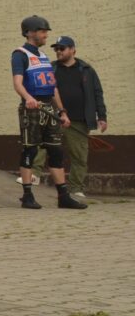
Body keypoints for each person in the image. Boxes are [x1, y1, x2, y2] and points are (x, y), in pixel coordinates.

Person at [11, 16, 86, 210]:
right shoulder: (19, 54)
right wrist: (28, 98)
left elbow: (53, 88)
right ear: (29, 32)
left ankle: (63, 197)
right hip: (32, 109)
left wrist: (62, 111)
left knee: (56, 151)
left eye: (46, 31)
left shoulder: (44, 56)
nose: (46, 34)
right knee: (30, 150)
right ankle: (27, 196)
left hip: (49, 108)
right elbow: (18, 83)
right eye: (42, 31)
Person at [52, 35, 107, 202]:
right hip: (54, 118)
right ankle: (34, 178)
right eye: (56, 49)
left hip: (79, 121)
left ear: (72, 50)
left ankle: (75, 189)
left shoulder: (87, 69)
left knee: (79, 157)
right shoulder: (51, 68)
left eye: (62, 48)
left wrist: (102, 116)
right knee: (42, 148)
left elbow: (97, 93)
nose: (58, 51)